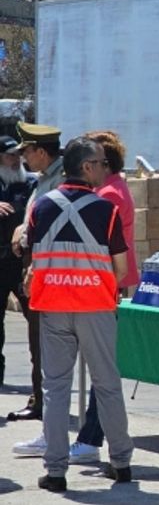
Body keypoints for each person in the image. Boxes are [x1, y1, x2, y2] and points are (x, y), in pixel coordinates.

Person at [28, 137, 134, 492]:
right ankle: (121, 464)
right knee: (107, 386)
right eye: (103, 163)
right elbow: (120, 268)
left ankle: (55, 472)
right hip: (96, 309)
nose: (106, 169)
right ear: (87, 167)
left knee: (56, 389)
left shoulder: (40, 206)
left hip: (53, 308)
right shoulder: (107, 211)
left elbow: (33, 255)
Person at [65, 131, 140, 464]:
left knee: (101, 368)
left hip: (104, 283)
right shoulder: (116, 188)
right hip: (109, 281)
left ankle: (91, 437)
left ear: (101, 164)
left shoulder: (107, 194)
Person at [7, 121, 65, 425]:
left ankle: (47, 402)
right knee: (37, 338)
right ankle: (40, 399)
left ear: (41, 151)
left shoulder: (62, 180)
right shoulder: (43, 178)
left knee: (46, 338)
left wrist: (25, 233)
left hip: (49, 267)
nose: (24, 157)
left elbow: (51, 220)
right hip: (35, 265)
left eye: (27, 151)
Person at [0, 135, 36, 387]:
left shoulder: (29, 184)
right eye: (10, 155)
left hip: (23, 264)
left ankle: (40, 377)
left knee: (36, 319)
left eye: (17, 155)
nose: (15, 160)